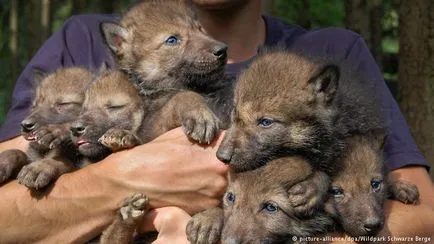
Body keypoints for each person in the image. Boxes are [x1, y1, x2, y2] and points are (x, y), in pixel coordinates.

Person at [0, 0, 433, 243]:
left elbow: (423, 222)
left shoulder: (329, 54)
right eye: (173, 40)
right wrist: (123, 180)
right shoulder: (80, 44)